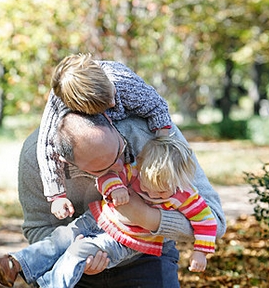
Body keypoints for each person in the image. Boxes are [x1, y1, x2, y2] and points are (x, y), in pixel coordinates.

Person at [0, 107, 226, 288]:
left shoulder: (154, 135)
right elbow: (37, 227)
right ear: (66, 159)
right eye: (100, 168)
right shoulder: (37, 154)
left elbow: (214, 220)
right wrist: (76, 256)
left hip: (144, 254)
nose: (117, 167)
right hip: (74, 255)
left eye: (119, 154)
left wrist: (145, 215)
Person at [0, 132, 217, 288]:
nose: (149, 192)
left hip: (125, 240)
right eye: (145, 185)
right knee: (64, 236)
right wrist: (114, 187)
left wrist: (201, 252)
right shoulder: (136, 172)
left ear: (179, 181)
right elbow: (108, 175)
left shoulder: (186, 196)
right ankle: (15, 264)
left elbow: (207, 221)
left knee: (79, 250)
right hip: (98, 218)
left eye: (161, 191)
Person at [37, 53, 172, 220]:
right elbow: (47, 147)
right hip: (95, 140)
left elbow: (158, 107)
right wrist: (57, 195)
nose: (113, 103)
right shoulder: (60, 105)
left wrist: (161, 148)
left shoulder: (125, 83)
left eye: (112, 95)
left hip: (126, 138)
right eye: (104, 104)